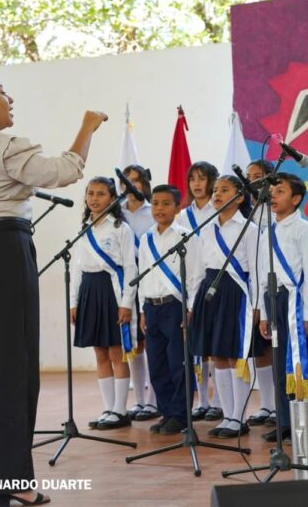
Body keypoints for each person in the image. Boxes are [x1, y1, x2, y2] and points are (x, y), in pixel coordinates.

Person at [0, 72, 106, 506]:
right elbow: (64, 171)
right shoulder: (4, 145)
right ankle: (12, 481)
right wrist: (87, 126)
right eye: (1, 93)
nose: (9, 99)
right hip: (0, 252)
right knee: (11, 370)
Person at [189, 175, 259, 438]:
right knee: (217, 354)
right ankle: (226, 414)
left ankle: (239, 416)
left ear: (240, 197)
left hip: (236, 293)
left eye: (224, 190)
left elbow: (256, 269)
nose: (217, 194)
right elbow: (198, 269)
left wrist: (256, 306)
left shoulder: (249, 229)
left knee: (234, 355)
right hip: (210, 290)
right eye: (215, 190)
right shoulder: (207, 228)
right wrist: (192, 303)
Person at [70, 177, 138, 432]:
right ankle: (108, 407)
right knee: (99, 351)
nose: (94, 199)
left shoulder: (121, 228)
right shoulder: (84, 228)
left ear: (112, 198)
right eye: (90, 194)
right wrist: (74, 302)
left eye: (101, 194)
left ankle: (121, 409)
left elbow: (131, 267)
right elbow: (77, 268)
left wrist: (126, 303)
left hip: (112, 291)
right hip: (89, 289)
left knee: (115, 351)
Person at [258, 173, 308, 442]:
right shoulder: (266, 230)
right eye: (272, 190)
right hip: (274, 300)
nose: (273, 195)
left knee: (301, 364)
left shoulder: (303, 229)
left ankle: (304, 423)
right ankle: (284, 420)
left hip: (296, 302)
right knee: (279, 362)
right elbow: (262, 272)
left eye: (280, 191)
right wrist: (262, 311)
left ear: (295, 199)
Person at [137, 185, 199, 435]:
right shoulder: (146, 238)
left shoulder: (186, 236)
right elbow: (143, 274)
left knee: (178, 363)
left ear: (177, 207)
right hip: (152, 307)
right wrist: (142, 309)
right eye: (155, 203)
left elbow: (196, 275)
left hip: (175, 307)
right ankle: (166, 412)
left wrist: (190, 307)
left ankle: (181, 415)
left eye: (165, 203)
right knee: (157, 363)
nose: (159, 209)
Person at [175, 161, 224, 422]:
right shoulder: (183, 216)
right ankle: (202, 400)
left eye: (202, 178)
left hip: (218, 280)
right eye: (192, 178)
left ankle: (218, 401)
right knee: (198, 346)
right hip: (194, 281)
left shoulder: (220, 211)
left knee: (216, 345)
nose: (196, 184)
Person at [119, 164, 161, 423]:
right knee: (132, 345)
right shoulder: (117, 213)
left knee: (151, 341)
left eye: (136, 180)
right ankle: (140, 400)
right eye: (126, 181)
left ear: (145, 183)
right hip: (125, 284)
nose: (131, 185)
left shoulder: (152, 212)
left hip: (151, 281)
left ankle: (155, 401)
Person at [245, 158, 277, 427]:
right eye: (249, 176)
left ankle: (280, 405)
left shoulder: (276, 208)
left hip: (275, 283)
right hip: (251, 288)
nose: (253, 180)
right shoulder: (246, 210)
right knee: (260, 350)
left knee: (276, 347)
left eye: (258, 175)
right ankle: (266, 404)